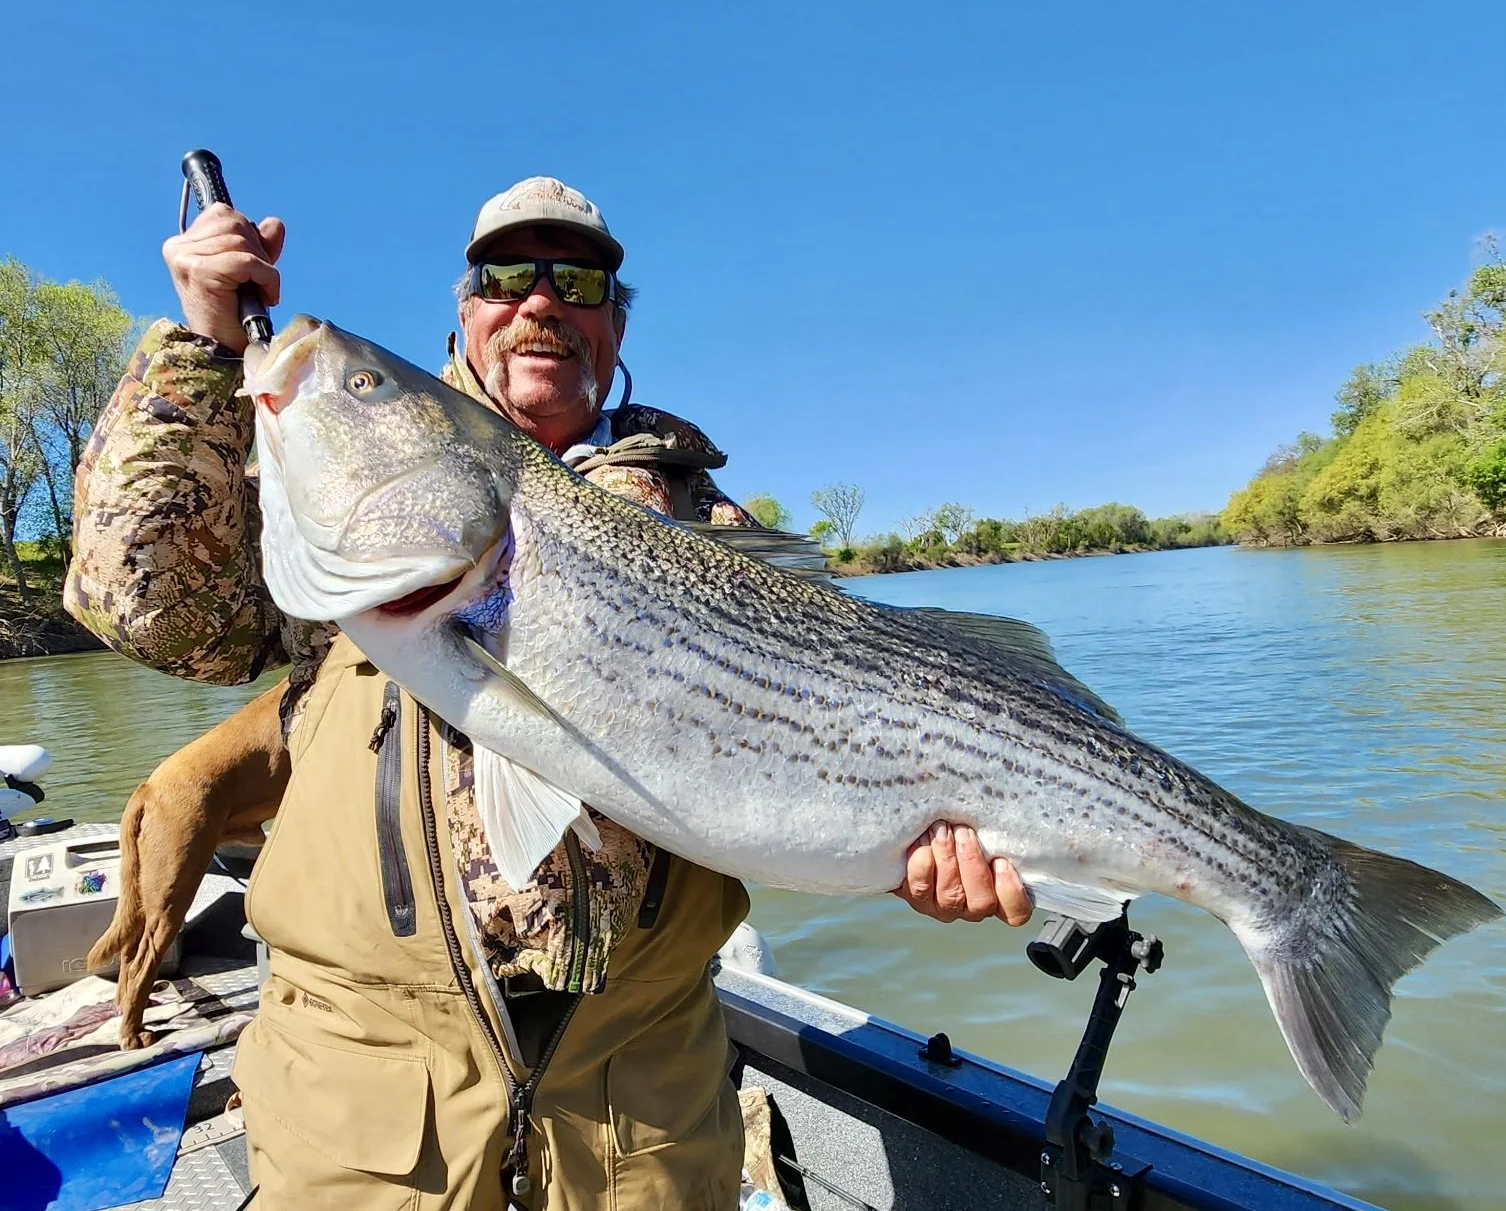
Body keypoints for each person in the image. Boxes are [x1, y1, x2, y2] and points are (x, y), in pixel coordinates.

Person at [65, 176, 1032, 1211]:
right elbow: (152, 613)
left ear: (614, 327)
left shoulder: (707, 524)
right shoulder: (325, 497)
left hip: (644, 1102)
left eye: (578, 283)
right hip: (361, 1091)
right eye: (505, 278)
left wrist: (903, 861)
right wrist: (201, 347)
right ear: (465, 311)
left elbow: (811, 772)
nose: (540, 302)